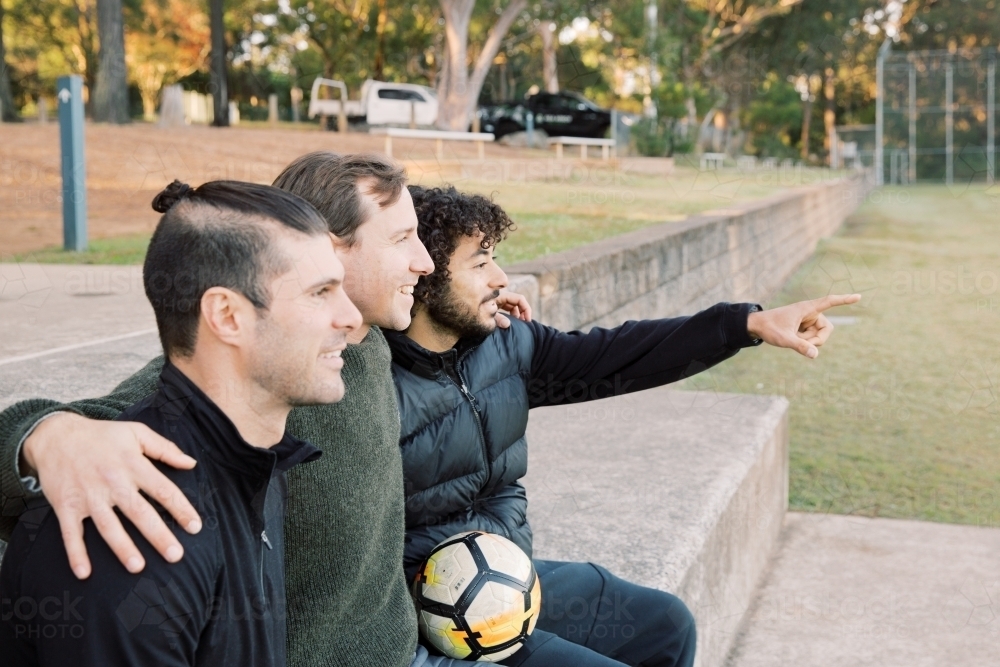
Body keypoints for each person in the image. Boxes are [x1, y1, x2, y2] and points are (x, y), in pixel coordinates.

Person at [0, 153, 525, 667]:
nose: (424, 262)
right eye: (322, 290)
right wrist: (48, 435)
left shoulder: (357, 346)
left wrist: (492, 306)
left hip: (403, 633)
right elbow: (157, 400)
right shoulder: (243, 385)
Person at [384, 185, 863, 667]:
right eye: (481, 263)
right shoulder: (371, 386)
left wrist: (747, 326)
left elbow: (618, 354)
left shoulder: (508, 345)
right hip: (428, 610)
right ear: (424, 274)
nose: (501, 278)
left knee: (664, 627)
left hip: (506, 575)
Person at [0, 180, 363, 665]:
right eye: (321, 292)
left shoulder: (251, 462)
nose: (351, 316)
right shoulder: (133, 527)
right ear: (227, 316)